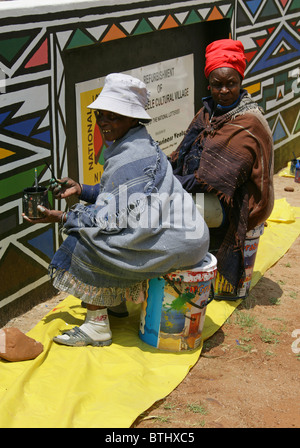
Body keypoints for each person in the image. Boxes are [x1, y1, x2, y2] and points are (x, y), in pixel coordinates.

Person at [23, 73, 209, 347]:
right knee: (99, 226)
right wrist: (83, 190)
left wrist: (61, 217)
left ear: (134, 118)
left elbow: (110, 219)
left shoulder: (129, 157)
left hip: (177, 243)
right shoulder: (141, 144)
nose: (104, 123)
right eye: (101, 115)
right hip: (191, 235)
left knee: (83, 237)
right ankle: (114, 304)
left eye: (115, 116)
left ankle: (96, 326)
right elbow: (125, 197)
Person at [170, 39, 274, 299]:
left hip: (238, 205)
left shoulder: (249, 122)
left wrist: (167, 184)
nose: (225, 90)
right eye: (218, 85)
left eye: (232, 84)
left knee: (169, 210)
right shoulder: (207, 113)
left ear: (241, 82)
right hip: (212, 194)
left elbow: (209, 180)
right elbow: (181, 152)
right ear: (209, 85)